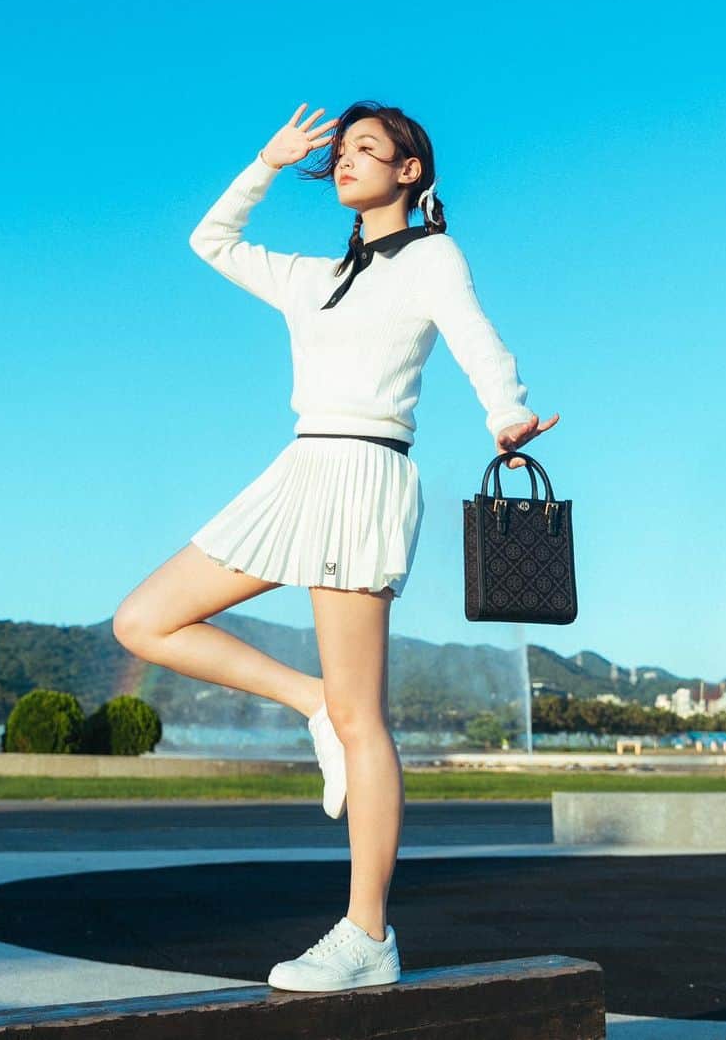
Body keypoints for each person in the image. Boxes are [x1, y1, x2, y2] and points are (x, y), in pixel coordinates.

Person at [112, 101, 559, 992]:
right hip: (300, 468)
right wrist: (267, 161)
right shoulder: (313, 275)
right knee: (144, 620)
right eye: (341, 149)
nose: (346, 160)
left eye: (366, 148)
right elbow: (210, 239)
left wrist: (506, 412)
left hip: (365, 473)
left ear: (409, 172)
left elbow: (476, 338)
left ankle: (367, 933)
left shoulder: (433, 256)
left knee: (366, 721)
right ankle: (308, 698)